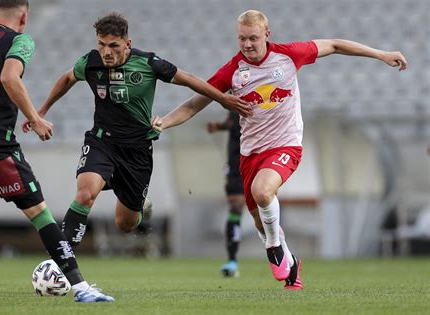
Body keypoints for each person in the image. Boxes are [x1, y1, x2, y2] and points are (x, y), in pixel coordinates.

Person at [151, 9, 408, 290]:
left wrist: (381, 54)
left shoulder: (288, 55)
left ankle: (273, 247)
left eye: (253, 38)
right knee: (260, 218)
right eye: (241, 39)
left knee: (263, 192)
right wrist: (163, 122)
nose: (247, 45)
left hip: (285, 145)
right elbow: (193, 104)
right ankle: (290, 264)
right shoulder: (234, 72)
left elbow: (334, 45)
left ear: (267, 35)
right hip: (250, 154)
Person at [21, 12, 249, 252]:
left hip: (137, 150)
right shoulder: (90, 62)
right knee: (86, 193)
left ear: (127, 44)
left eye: (113, 45)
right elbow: (67, 78)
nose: (106, 51)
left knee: (125, 224)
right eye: (101, 44)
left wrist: (223, 99)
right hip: (102, 142)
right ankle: (62, 262)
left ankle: (140, 207)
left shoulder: (149, 63)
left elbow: (190, 79)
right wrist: (41, 112)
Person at [0, 0, 114, 302]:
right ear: (24, 17)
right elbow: (8, 76)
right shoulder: (20, 40)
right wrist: (35, 118)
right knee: (40, 215)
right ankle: (81, 288)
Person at [207, 112, 246, 277]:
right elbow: (233, 120)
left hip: (258, 152)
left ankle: (280, 256)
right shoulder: (235, 89)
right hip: (235, 157)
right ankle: (232, 261)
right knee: (236, 205)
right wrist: (220, 126)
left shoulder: (262, 89)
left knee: (261, 208)